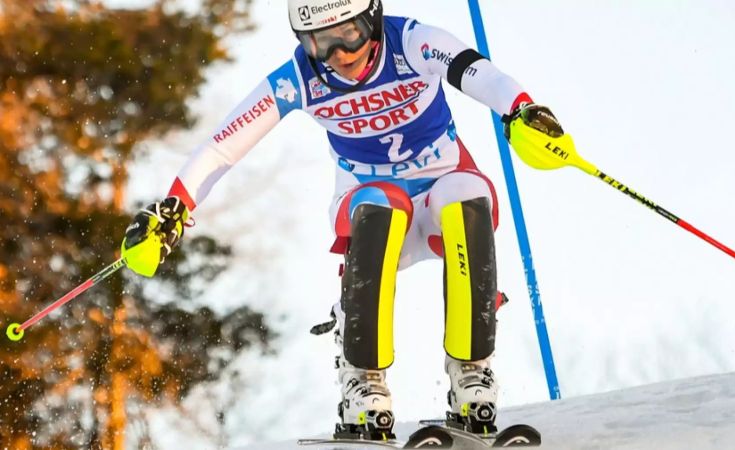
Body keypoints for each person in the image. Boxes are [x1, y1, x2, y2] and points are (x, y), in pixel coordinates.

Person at [120, 0, 569, 441]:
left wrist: (520, 108)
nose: (340, 55)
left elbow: (476, 72)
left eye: (349, 35)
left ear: (371, 19)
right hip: (367, 205)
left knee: (467, 193)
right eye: (321, 43)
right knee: (382, 206)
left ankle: (471, 370)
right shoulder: (301, 77)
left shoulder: (411, 42)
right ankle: (363, 379)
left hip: (438, 199)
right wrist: (174, 208)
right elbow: (224, 144)